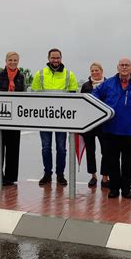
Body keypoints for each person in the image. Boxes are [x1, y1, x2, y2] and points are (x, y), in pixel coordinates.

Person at [92, 57, 131, 199]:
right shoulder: (108, 83)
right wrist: (101, 112)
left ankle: (127, 188)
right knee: (112, 160)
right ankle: (114, 188)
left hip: (129, 131)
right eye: (122, 65)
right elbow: (94, 95)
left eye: (127, 65)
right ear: (117, 67)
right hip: (110, 129)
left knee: (127, 161)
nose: (124, 67)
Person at [31, 48, 78, 186]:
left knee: (61, 148)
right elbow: (33, 96)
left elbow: (74, 98)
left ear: (61, 59)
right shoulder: (40, 74)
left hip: (62, 119)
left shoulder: (69, 75)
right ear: (48, 58)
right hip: (44, 118)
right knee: (46, 147)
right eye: (53, 58)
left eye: (58, 58)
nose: (55, 60)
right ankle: (47, 174)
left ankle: (60, 175)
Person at [0, 52, 26, 186]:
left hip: (15, 119)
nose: (13, 62)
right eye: (10, 60)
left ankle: (11, 177)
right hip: (0, 118)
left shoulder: (22, 76)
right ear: (6, 61)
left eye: (15, 60)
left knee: (13, 148)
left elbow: (24, 96)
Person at [80, 62, 110, 188]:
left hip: (104, 124)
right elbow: (81, 104)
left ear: (102, 71)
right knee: (90, 151)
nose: (94, 73)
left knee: (106, 151)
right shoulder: (86, 86)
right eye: (92, 71)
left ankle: (105, 177)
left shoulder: (109, 85)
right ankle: (93, 176)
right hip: (89, 124)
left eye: (97, 70)